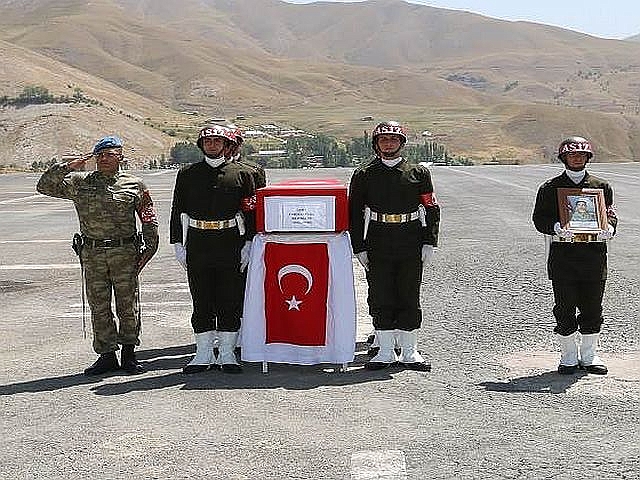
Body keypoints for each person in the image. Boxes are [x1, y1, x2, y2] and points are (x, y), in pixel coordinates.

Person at [36, 135, 159, 375]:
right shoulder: (80, 182)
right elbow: (44, 186)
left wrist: (150, 247)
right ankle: (106, 355)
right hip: (92, 253)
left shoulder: (135, 184)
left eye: (109, 154)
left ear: (121, 157)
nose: (104, 159)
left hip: (124, 253)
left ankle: (129, 353)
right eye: (99, 155)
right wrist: (69, 166)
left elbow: (148, 217)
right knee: (99, 306)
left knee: (127, 305)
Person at [349, 121, 440, 371]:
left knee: (409, 294)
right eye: (383, 139)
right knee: (380, 295)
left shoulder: (418, 173)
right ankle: (385, 351)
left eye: (393, 139)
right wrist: (359, 247)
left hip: (410, 239)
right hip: (378, 240)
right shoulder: (364, 174)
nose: (388, 144)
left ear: (401, 143)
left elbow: (431, 208)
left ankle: (410, 352)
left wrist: (429, 241)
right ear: (376, 144)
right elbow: (354, 213)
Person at [170, 125, 256, 374]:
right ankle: (203, 353)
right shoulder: (187, 174)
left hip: (230, 243)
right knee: (202, 300)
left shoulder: (242, 174)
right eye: (207, 141)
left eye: (217, 141)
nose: (212, 145)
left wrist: (249, 243)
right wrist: (178, 243)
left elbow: (250, 212)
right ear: (201, 145)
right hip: (198, 243)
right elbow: (177, 210)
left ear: (227, 145)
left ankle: (227, 353)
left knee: (229, 299)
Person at [532, 136, 617, 375]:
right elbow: (539, 219)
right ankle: (568, 356)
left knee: (593, 308)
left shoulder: (601, 186)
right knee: (564, 307)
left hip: (594, 256)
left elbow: (610, 213)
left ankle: (589, 356)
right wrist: (555, 227)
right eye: (572, 154)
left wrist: (610, 227)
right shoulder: (549, 188)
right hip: (563, 257)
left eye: (581, 154)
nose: (577, 158)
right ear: (563, 158)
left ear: (588, 157)